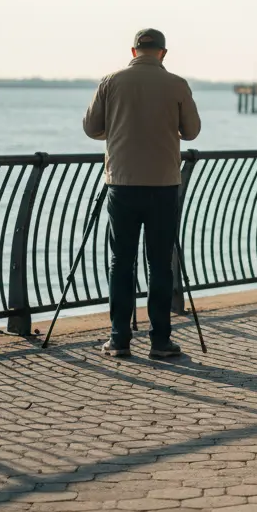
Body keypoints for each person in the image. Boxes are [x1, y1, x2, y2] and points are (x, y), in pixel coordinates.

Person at [83, 29, 202, 357]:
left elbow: (91, 128)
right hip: (163, 185)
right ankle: (160, 341)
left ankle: (119, 339)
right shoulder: (177, 84)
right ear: (163, 52)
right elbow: (191, 131)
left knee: (121, 261)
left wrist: (120, 127)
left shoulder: (111, 82)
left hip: (121, 183)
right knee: (160, 263)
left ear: (134, 51)